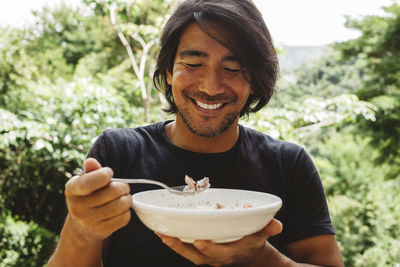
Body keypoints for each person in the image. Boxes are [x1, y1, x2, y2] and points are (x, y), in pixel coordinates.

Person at [47, 0, 344, 266]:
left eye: (233, 68)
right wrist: (81, 229)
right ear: (168, 72)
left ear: (254, 81)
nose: (211, 86)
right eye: (193, 64)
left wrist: (261, 257)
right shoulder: (117, 154)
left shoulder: (288, 164)